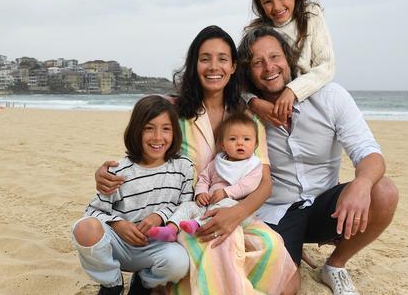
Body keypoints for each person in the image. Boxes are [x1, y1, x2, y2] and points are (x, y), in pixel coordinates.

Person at [95, 26, 298, 294]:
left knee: (276, 257)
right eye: (205, 58)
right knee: (217, 250)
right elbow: (144, 152)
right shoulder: (174, 112)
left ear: (234, 66)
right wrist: (106, 173)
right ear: (194, 64)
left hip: (237, 212)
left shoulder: (248, 118)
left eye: (223, 59)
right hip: (182, 214)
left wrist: (235, 214)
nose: (214, 67)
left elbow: (265, 182)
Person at [237, 26, 399, 295]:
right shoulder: (245, 113)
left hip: (328, 207)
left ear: (289, 59)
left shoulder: (331, 96)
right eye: (257, 62)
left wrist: (361, 183)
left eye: (275, 57)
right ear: (248, 72)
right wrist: (250, 101)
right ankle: (293, 247)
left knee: (384, 190)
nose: (269, 67)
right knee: (282, 286)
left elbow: (368, 151)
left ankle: (335, 265)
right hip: (278, 212)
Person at [72, 95, 192, 295]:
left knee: (179, 262)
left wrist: (160, 216)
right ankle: (112, 284)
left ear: (175, 132)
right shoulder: (119, 171)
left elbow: (187, 205)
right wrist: (118, 225)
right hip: (119, 245)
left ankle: (143, 283)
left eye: (166, 128)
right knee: (84, 228)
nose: (157, 137)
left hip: (154, 247)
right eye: (148, 128)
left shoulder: (183, 166)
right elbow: (93, 211)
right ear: (136, 130)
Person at [245, 0, 336, 127]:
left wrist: (293, 90)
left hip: (307, 94)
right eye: (267, 2)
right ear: (260, 4)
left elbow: (326, 65)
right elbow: (241, 77)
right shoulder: (257, 32)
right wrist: (253, 102)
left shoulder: (311, 15)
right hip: (271, 104)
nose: (277, 7)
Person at [147, 112, 263, 241]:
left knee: (226, 204)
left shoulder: (253, 165)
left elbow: (248, 185)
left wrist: (226, 192)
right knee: (187, 206)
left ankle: (196, 224)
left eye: (246, 139)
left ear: (255, 144)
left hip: (234, 209)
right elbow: (204, 179)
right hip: (207, 205)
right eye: (233, 139)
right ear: (223, 145)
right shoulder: (217, 163)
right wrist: (201, 193)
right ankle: (171, 229)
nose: (240, 143)